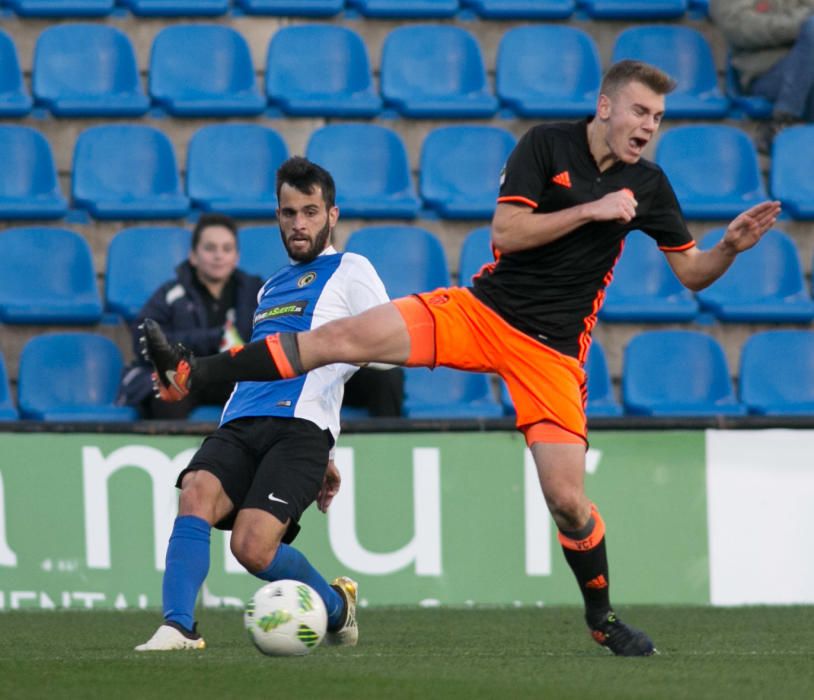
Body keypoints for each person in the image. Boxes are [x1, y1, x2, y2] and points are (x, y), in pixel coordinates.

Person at [142, 61, 781, 657]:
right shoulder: (546, 146)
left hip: (552, 355)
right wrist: (593, 208)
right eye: (640, 111)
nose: (648, 126)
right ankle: (194, 370)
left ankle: (602, 618)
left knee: (567, 502)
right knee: (339, 338)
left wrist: (730, 247)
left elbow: (692, 273)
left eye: (658, 118)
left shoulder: (649, 185)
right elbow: (506, 234)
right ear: (605, 105)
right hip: (481, 313)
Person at [135, 157, 393, 651]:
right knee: (194, 492)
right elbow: (260, 362)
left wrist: (326, 443)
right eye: (289, 212)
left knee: (252, 549)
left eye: (311, 212)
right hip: (240, 419)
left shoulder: (351, 269)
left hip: (299, 430)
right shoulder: (270, 287)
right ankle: (178, 627)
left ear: (332, 216)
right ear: (277, 215)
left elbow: (386, 349)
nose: (299, 224)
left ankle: (337, 608)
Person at [118, 213, 264, 419]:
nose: (219, 255)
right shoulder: (171, 293)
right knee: (167, 394)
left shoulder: (256, 292)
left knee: (262, 393)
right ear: (193, 256)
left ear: (236, 257)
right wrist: (214, 338)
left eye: (227, 249)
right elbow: (145, 341)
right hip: (184, 377)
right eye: (210, 248)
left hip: (232, 377)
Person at [709, 0, 814, 152]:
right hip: (765, 72)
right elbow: (742, 30)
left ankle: (785, 127)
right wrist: (801, 26)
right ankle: (785, 118)